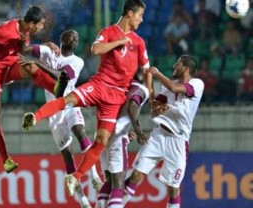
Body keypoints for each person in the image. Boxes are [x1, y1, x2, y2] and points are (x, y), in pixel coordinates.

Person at [22, 0, 151, 197]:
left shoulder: (140, 43)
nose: (142, 19)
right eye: (140, 15)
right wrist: (120, 42)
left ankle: (76, 176)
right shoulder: (109, 32)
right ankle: (35, 117)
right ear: (130, 13)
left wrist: (150, 93)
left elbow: (146, 69)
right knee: (68, 101)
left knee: (100, 140)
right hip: (100, 85)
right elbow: (96, 49)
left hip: (116, 96)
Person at [0, 5, 60, 173]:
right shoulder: (6, 30)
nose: (41, 28)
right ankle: (6, 159)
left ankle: (59, 90)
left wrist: (45, 45)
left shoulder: (25, 31)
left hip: (8, 66)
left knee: (30, 67)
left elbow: (23, 48)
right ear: (32, 23)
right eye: (41, 24)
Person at [19, 30, 102, 208]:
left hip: (70, 103)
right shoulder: (48, 52)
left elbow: (60, 77)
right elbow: (25, 48)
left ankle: (94, 175)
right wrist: (39, 42)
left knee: (81, 132)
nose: (74, 38)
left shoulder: (77, 61)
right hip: (54, 112)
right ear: (62, 39)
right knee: (68, 155)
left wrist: (38, 64)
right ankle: (84, 202)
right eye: (70, 36)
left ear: (76, 44)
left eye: (76, 37)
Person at [123, 55, 204, 208]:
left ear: (186, 69)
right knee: (135, 175)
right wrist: (156, 105)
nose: (174, 65)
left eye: (178, 64)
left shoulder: (197, 84)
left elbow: (175, 89)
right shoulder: (167, 86)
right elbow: (154, 106)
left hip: (178, 141)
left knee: (173, 189)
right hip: (159, 135)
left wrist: (157, 74)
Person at [96, 79, 149, 208]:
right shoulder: (140, 89)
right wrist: (139, 132)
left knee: (109, 181)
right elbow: (132, 106)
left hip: (102, 132)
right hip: (116, 137)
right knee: (118, 185)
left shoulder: (116, 83)